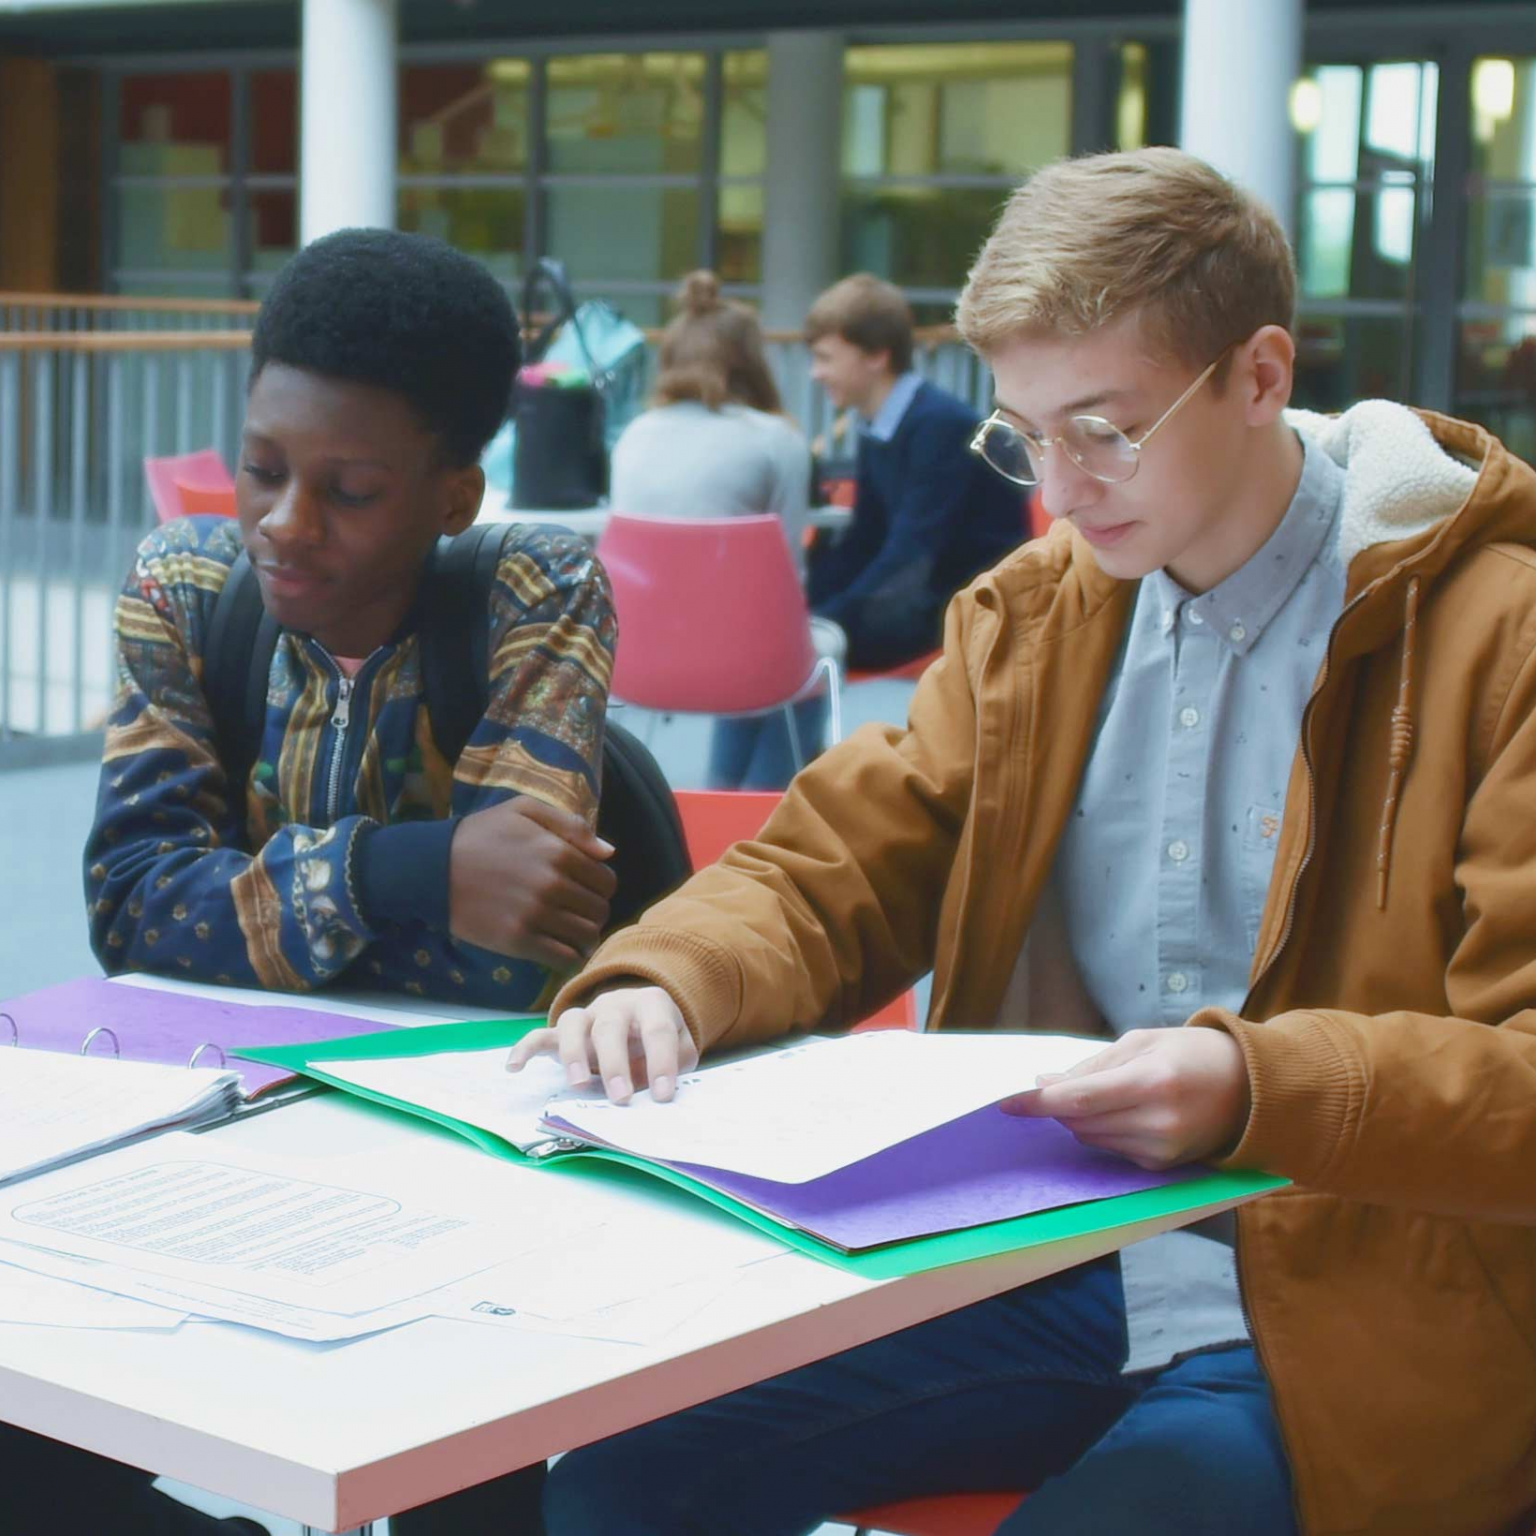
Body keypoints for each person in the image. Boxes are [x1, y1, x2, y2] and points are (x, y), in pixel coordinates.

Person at [510, 147, 1536, 1536]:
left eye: (1104, 429)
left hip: (1365, 1307)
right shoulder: (1036, 616)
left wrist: (1256, 1087)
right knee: (624, 1479)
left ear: (1258, 375)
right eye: (1024, 434)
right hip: (1051, 1260)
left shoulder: (1497, 632)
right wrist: (669, 975)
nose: (1057, 486)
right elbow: (844, 860)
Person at [52, 227, 615, 1534]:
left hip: (473, 1170)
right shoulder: (184, 588)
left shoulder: (537, 587)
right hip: (204, 1152)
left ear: (453, 496)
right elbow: (130, 909)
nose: (282, 524)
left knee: (457, 1483)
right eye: (260, 470)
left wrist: (249, 899)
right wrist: (414, 863)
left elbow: (510, 948)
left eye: (348, 491)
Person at [610, 269, 822, 789]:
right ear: (752, 360)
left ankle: (719, 788)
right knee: (786, 644)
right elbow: (787, 575)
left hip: (636, 659)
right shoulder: (776, 439)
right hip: (747, 661)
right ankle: (768, 813)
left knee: (749, 630)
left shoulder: (633, 435)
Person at [803, 272, 1025, 671]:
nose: (814, 374)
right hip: (921, 593)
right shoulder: (879, 422)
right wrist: (804, 605)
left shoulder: (940, 426)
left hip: (969, 607)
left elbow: (913, 554)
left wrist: (826, 622)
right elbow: (865, 538)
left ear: (876, 356)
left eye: (825, 358)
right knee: (778, 639)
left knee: (791, 652)